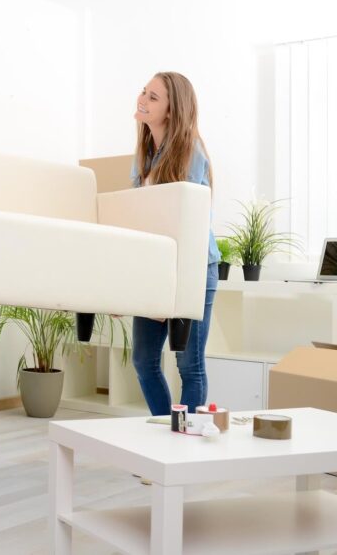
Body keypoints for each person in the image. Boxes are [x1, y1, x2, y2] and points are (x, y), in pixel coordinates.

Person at [129, 71, 220, 417]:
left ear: (172, 109)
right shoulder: (143, 154)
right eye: (143, 92)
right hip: (157, 269)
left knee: (189, 365)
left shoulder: (191, 151)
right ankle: (168, 433)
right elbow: (137, 218)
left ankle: (186, 447)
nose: (143, 99)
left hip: (193, 269)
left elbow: (190, 223)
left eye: (153, 97)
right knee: (143, 360)